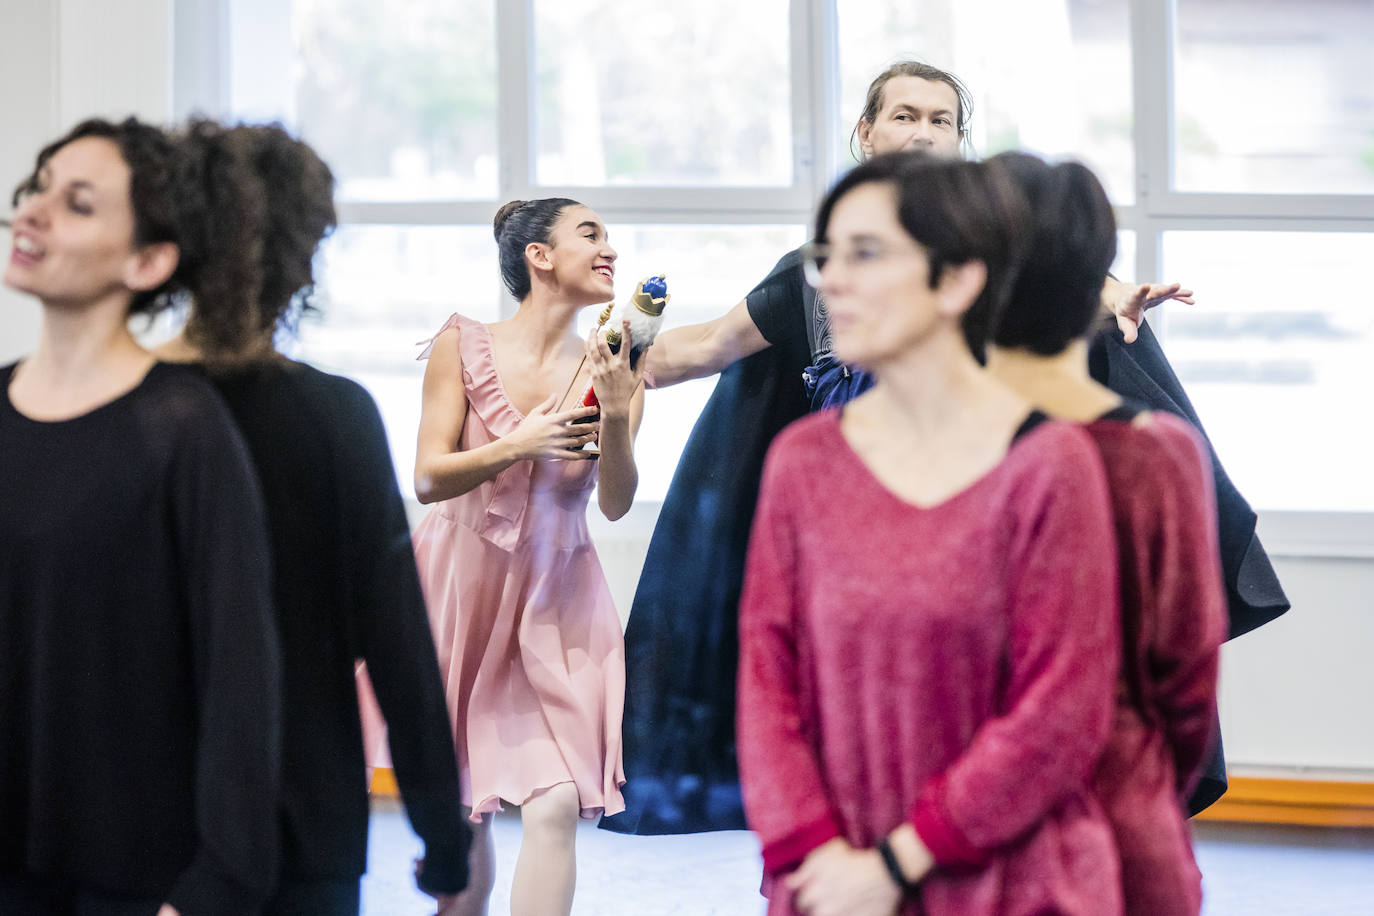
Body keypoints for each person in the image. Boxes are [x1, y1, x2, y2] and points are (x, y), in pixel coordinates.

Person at [606, 58, 1284, 835]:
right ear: (864, 134)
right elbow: (701, 349)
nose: (923, 132)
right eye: (904, 115)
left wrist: (1109, 294)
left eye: (941, 120)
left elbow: (1066, 277)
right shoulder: (812, 319)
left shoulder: (1007, 289)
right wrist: (599, 362)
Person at [737, 152, 1122, 916]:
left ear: (957, 280)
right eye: (826, 256)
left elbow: (1062, 709)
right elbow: (763, 677)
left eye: (866, 254)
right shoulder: (804, 461)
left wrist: (896, 863)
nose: (831, 281)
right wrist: (816, 854)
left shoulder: (1051, 465)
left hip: (1003, 879)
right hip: (825, 881)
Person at [154, 119, 471, 914]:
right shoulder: (335, 418)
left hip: (140, 827)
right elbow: (396, 641)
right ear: (304, 258)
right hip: (305, 815)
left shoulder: (120, 413)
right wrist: (443, 838)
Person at [0, 118, 281, 914]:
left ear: (147, 260)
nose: (34, 213)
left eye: (77, 203)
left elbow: (240, 677)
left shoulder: (185, 430)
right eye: (38, 188)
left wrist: (210, 888)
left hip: (137, 879)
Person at [374, 197, 643, 916]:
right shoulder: (461, 345)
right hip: (459, 593)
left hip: (557, 604)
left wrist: (616, 416)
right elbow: (429, 477)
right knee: (461, 814)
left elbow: (615, 500)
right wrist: (516, 445)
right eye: (591, 234)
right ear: (540, 256)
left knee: (555, 806)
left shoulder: (615, 364)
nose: (610, 248)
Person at [984, 151, 1227, 915]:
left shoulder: (921, 449)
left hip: (960, 839)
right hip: (1122, 826)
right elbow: (1187, 688)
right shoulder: (1158, 452)